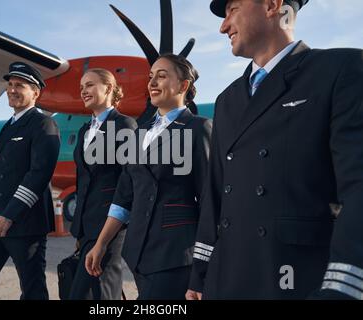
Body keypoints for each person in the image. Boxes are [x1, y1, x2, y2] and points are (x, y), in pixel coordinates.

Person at [187, 0, 363, 300]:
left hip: (296, 281)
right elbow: (214, 195)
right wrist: (200, 276)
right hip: (225, 278)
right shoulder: (227, 100)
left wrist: (342, 288)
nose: (223, 26)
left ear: (271, 6)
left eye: (232, 10)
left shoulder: (341, 70)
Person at [85, 54, 212, 300]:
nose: (152, 82)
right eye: (151, 76)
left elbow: (210, 201)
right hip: (139, 253)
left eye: (162, 76)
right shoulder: (139, 132)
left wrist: (203, 269)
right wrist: (101, 244)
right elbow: (124, 197)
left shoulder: (198, 128)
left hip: (175, 255)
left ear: (183, 85)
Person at [0, 62, 61, 300]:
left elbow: (38, 174)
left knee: (32, 288)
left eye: (20, 85)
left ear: (35, 93)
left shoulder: (43, 124)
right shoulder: (9, 126)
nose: (12, 90)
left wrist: (9, 215)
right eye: (10, 85)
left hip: (23, 225)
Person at [68, 68, 137, 300]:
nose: (83, 91)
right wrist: (78, 229)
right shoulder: (84, 130)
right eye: (81, 88)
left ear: (108, 88)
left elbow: (128, 185)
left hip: (110, 227)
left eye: (89, 85)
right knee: (102, 292)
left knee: (96, 291)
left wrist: (103, 240)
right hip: (86, 228)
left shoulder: (124, 126)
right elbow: (83, 181)